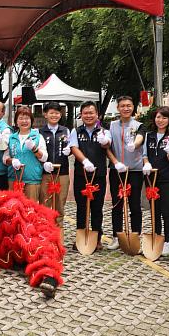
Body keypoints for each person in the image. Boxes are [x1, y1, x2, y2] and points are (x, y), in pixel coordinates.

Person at [104, 96, 147, 251]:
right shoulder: (111, 125)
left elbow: (140, 139)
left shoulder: (139, 125)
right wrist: (115, 162)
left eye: (129, 105)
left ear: (133, 107)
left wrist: (134, 144)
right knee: (117, 204)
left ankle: (136, 236)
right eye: (122, 106)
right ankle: (117, 236)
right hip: (117, 170)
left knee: (134, 205)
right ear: (118, 108)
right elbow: (107, 146)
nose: (126, 108)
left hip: (134, 171)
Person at [142, 106, 169, 256]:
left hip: (167, 179)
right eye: (158, 117)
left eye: (164, 117)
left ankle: (168, 241)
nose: (160, 120)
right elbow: (144, 154)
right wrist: (146, 163)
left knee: (166, 211)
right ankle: (156, 237)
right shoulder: (149, 135)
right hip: (151, 178)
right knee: (154, 210)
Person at [69, 101, 110, 250]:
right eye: (85, 113)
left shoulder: (104, 131)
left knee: (97, 207)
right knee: (81, 207)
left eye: (91, 113)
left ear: (97, 114)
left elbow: (107, 145)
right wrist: (85, 161)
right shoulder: (76, 131)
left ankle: (97, 238)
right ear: (81, 115)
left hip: (98, 175)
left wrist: (105, 142)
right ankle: (81, 236)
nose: (88, 115)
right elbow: (74, 147)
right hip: (82, 174)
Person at [2, 106, 47, 201]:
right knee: (14, 209)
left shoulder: (38, 137)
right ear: (16, 122)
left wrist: (34, 149)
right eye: (21, 118)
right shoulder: (11, 138)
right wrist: (12, 161)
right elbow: (5, 158)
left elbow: (44, 158)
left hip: (32, 179)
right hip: (14, 179)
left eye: (27, 118)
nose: (24, 121)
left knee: (30, 210)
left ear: (31, 121)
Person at [38, 102, 70, 226]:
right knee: (44, 203)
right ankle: (44, 231)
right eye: (51, 113)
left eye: (57, 113)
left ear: (60, 115)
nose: (54, 115)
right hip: (45, 173)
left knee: (60, 204)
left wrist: (70, 151)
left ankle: (58, 232)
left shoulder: (65, 131)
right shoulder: (39, 132)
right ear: (45, 114)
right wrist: (44, 163)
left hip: (62, 173)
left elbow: (72, 148)